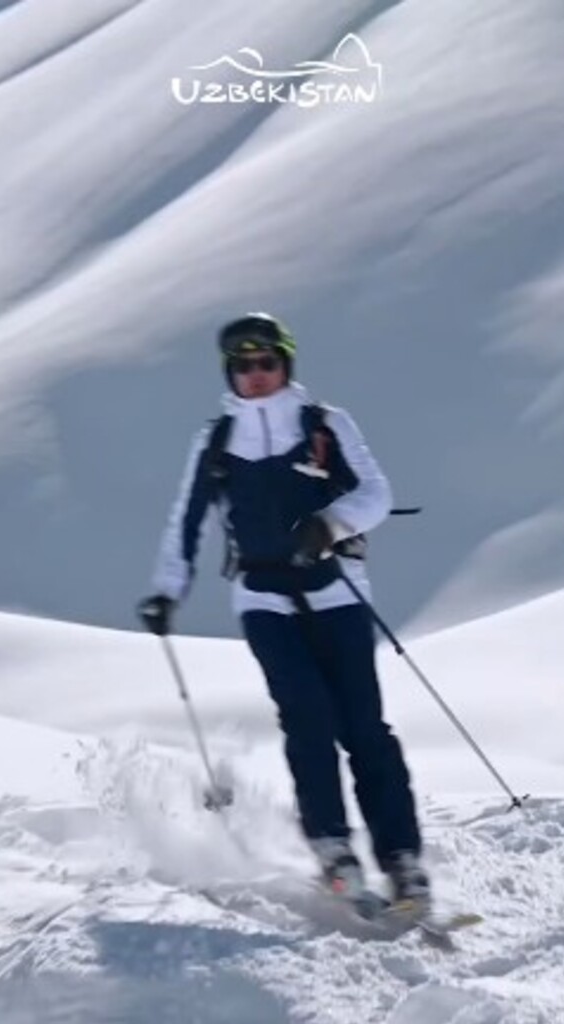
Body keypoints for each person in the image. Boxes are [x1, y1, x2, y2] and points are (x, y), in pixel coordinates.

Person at [138, 312, 429, 910]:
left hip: (337, 593)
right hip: (264, 600)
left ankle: (402, 859)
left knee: (364, 728)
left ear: (285, 364)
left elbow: (376, 494)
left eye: (266, 362)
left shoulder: (325, 424)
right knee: (307, 718)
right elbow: (185, 521)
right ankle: (332, 849)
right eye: (242, 365)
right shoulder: (216, 441)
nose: (255, 374)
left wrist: (329, 524)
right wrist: (168, 589)